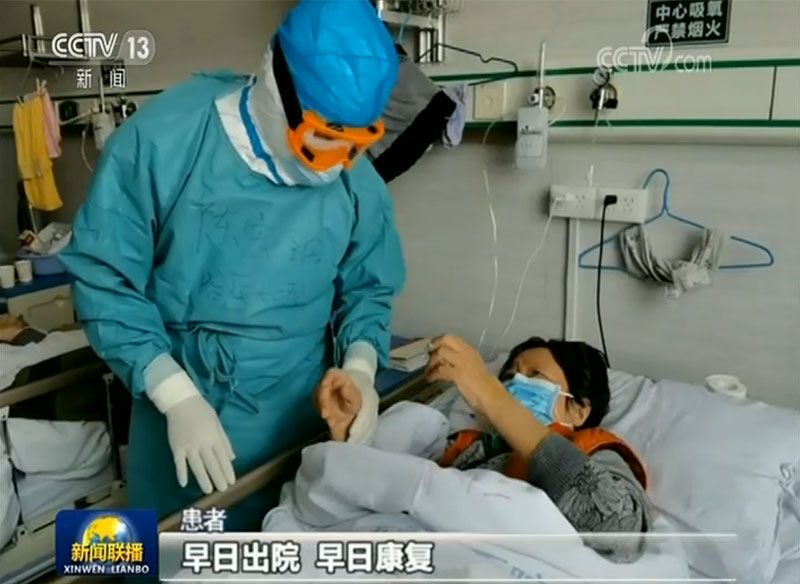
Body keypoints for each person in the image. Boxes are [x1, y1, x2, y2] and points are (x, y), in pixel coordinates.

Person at [61, 0, 405, 529]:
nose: (335, 163)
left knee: (280, 545)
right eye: (322, 139)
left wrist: (360, 369)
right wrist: (175, 396)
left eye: (353, 145)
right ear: (276, 87)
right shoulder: (164, 142)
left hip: (301, 414)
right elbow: (104, 277)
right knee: (180, 550)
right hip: (183, 404)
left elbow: (368, 288)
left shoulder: (354, 183)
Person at [319, 335, 652, 563]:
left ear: (579, 409)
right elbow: (388, 491)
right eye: (508, 376)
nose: (514, 383)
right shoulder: (465, 447)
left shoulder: (592, 450)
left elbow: (622, 530)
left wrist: (490, 395)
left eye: (535, 374)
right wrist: (352, 436)